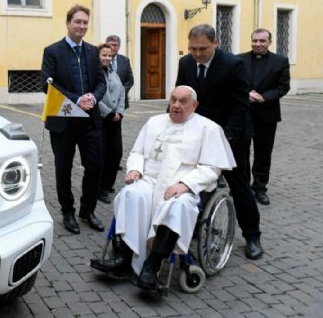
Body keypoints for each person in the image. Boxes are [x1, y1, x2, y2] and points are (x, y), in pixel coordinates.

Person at [90, 86, 235, 290]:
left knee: (178, 207)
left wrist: (185, 184)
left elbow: (213, 168)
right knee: (131, 193)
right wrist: (135, 169)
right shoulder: (154, 122)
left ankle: (152, 265)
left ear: (194, 105)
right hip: (149, 180)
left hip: (181, 185)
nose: (176, 105)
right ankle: (124, 256)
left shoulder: (208, 128)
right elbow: (137, 152)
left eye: (183, 101)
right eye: (173, 100)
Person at [174, 24, 263, 260]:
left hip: (231, 135)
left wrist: (227, 138)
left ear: (216, 43)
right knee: (195, 180)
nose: (197, 54)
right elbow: (180, 97)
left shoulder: (233, 65)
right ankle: (194, 226)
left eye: (203, 48)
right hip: (198, 133)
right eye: (192, 48)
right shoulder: (185, 63)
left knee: (239, 185)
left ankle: (253, 236)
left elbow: (239, 106)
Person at [41, 4, 107, 234]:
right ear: (68, 23)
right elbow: (47, 84)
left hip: (90, 120)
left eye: (85, 23)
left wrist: (93, 98)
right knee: (63, 169)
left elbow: (101, 82)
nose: (81, 26)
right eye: (77, 22)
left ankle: (87, 210)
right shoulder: (52, 51)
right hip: (64, 121)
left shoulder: (91, 51)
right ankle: (67, 212)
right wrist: (76, 99)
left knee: (96, 166)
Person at [239, 28, 291, 205]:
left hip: (267, 114)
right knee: (241, 152)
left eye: (262, 41)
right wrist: (245, 94)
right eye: (255, 41)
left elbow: (283, 86)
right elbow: (233, 83)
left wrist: (264, 97)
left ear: (269, 42)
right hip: (243, 114)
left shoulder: (280, 61)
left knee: (263, 153)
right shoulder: (239, 59)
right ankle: (243, 187)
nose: (258, 44)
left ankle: (260, 188)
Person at [96, 43, 125, 204]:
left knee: (116, 153)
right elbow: (94, 97)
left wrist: (119, 112)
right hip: (101, 120)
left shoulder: (113, 72)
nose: (107, 58)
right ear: (98, 56)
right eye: (104, 55)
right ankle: (99, 188)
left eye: (109, 55)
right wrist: (109, 113)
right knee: (102, 155)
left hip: (116, 120)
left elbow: (121, 92)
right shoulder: (94, 74)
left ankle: (108, 184)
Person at [105, 35, 134, 109]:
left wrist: (121, 92)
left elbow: (130, 80)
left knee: (118, 119)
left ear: (119, 47)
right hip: (106, 100)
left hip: (121, 101)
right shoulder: (101, 60)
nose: (113, 47)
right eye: (110, 45)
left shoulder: (125, 60)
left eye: (115, 45)